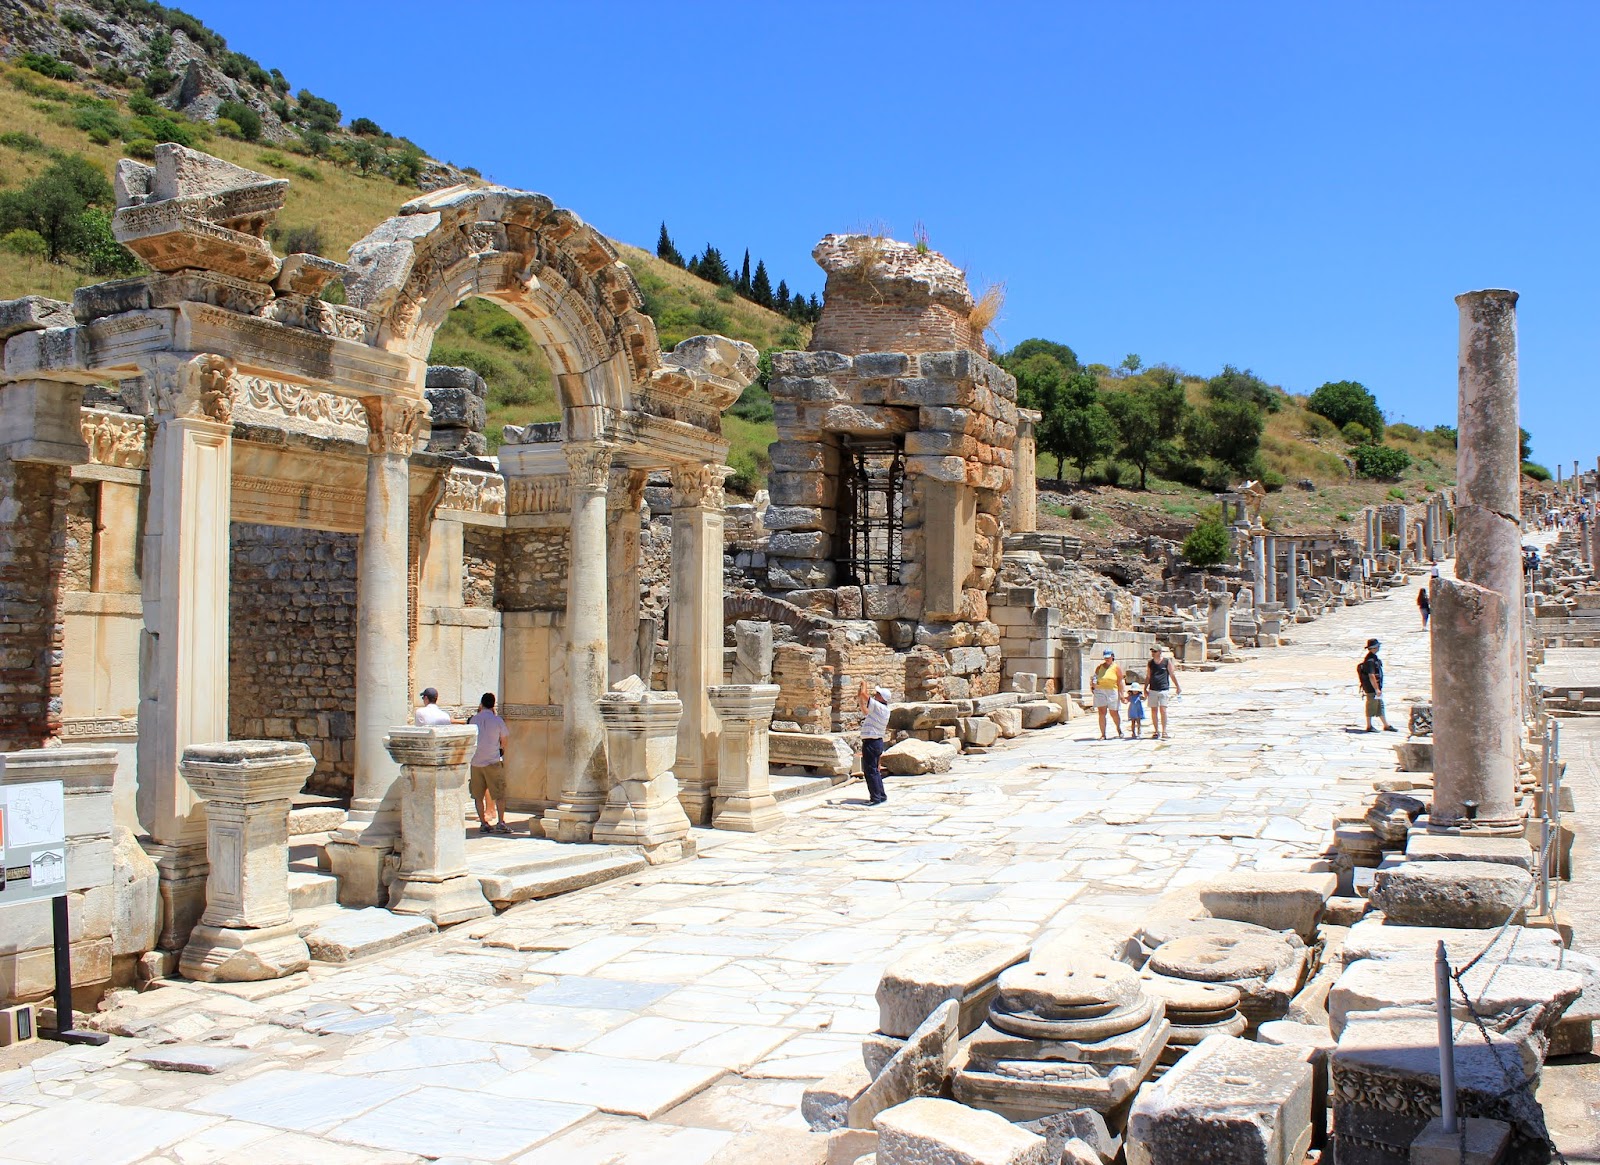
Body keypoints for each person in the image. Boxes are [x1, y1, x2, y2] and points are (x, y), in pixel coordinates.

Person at [467, 693, 511, 835]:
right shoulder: (497, 720)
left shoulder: (473, 719)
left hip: (476, 762)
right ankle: (501, 822)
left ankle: (483, 823)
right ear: (493, 704)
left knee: (478, 795)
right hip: (493, 760)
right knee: (499, 794)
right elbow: (504, 739)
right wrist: (501, 750)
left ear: (481, 703)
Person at [856, 681, 892, 806]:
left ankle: (875, 798)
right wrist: (860, 698)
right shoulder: (881, 710)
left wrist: (864, 684)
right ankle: (881, 795)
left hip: (871, 742)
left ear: (882, 698)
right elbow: (865, 711)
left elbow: (864, 694)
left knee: (870, 771)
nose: (875, 694)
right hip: (876, 742)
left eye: (877, 693)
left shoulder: (879, 707)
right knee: (875, 770)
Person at [1357, 638, 1396, 732]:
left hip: (1375, 687)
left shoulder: (1373, 658)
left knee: (1379, 705)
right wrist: (1376, 689)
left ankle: (1386, 725)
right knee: (1371, 705)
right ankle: (1369, 726)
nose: (1379, 648)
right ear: (1373, 648)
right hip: (1372, 688)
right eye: (1377, 646)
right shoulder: (1370, 660)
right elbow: (1371, 675)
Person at [1144, 643, 1182, 740]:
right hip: (1153, 689)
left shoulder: (1166, 661)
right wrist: (1145, 688)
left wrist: (1177, 686)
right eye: (1152, 651)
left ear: (1160, 652)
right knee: (1154, 711)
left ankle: (1164, 731)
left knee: (1163, 710)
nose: (1153, 653)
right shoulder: (1150, 663)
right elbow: (1148, 676)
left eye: (1155, 651)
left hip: (1163, 689)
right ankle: (1156, 731)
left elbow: (1172, 674)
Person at [1092, 649, 1126, 739]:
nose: (1107, 659)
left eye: (1108, 657)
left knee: (1113, 712)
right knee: (1101, 712)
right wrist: (1093, 684)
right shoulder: (1099, 667)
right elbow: (1095, 677)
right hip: (1100, 691)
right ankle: (1103, 734)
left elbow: (1120, 682)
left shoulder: (1116, 668)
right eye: (1105, 657)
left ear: (1112, 657)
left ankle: (1119, 729)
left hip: (1112, 691)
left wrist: (1121, 695)